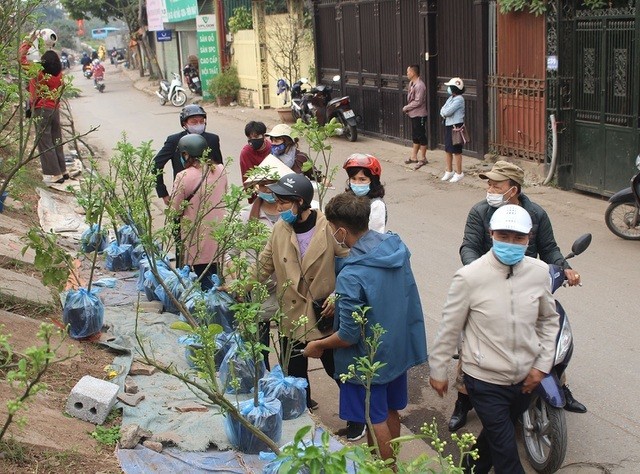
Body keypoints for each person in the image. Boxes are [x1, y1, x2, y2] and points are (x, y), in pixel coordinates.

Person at [448, 160, 586, 433]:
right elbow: (469, 248)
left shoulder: (536, 213)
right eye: (489, 184)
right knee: (474, 346)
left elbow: (549, 249)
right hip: (488, 289)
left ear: (513, 189)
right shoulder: (480, 212)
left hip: (527, 287)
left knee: (551, 337)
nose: (490, 189)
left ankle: (561, 387)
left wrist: (566, 269)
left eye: (496, 185)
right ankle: (463, 400)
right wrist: (478, 273)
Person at [429, 204, 560, 474]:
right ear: (491, 234)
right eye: (503, 236)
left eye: (518, 238)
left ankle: (466, 470)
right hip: (485, 381)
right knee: (507, 455)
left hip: (525, 379)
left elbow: (549, 320)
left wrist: (542, 365)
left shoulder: (539, 272)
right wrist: (438, 369)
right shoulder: (469, 277)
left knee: (493, 439)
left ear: (529, 238)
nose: (510, 243)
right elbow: (449, 327)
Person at [304, 192, 427, 464]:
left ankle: (385, 469)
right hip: (396, 348)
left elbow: (348, 336)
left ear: (341, 230)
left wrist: (319, 346)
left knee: (375, 418)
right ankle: (393, 465)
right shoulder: (394, 246)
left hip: (368, 359)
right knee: (390, 410)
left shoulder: (351, 274)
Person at [255, 173, 348, 411]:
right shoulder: (279, 229)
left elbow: (352, 263)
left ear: (300, 201)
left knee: (338, 371)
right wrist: (238, 287)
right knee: (294, 375)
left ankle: (357, 418)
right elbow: (264, 265)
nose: (278, 207)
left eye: (283, 202)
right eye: (277, 201)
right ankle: (302, 413)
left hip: (322, 315)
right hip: (291, 315)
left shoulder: (328, 227)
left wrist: (338, 294)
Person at [238, 155, 295, 370]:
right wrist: (236, 280)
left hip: (289, 290)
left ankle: (291, 389)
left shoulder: (291, 215)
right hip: (258, 288)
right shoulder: (246, 216)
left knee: (289, 344)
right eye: (262, 185)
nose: (267, 189)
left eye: (272, 185)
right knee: (259, 344)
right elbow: (231, 252)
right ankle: (263, 383)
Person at [170, 134, 227, 291]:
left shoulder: (183, 176)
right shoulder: (221, 170)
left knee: (205, 281)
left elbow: (175, 209)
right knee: (216, 275)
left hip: (197, 238)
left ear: (186, 154)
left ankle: (210, 312)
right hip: (219, 234)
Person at [20, 35, 67, 184]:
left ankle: (55, 174)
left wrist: (28, 42)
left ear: (43, 63)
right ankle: (63, 170)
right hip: (55, 110)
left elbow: (21, 58)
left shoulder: (37, 72)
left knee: (45, 141)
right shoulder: (60, 76)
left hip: (42, 109)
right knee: (57, 140)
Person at [154, 104, 223, 204]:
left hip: (209, 193)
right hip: (183, 194)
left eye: (201, 121)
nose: (198, 124)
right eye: (194, 122)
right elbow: (157, 164)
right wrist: (163, 193)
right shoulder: (174, 141)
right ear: (184, 124)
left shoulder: (212, 139)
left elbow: (219, 166)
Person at [343, 153, 386, 233]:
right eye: (353, 178)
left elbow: (375, 236)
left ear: (372, 181)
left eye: (362, 179)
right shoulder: (348, 198)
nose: (357, 183)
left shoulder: (376, 205)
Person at [402, 64, 429, 169]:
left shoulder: (420, 85)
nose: (407, 74)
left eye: (408, 72)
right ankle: (414, 157)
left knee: (421, 135)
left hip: (419, 114)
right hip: (413, 114)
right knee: (415, 135)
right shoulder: (411, 83)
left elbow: (418, 101)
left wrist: (406, 107)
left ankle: (423, 158)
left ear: (413, 73)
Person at [440, 77, 466, 183]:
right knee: (448, 149)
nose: (449, 89)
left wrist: (443, 112)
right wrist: (443, 112)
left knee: (456, 150)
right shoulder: (451, 98)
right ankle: (449, 170)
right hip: (448, 125)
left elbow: (447, 112)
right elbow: (442, 109)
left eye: (450, 87)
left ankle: (459, 172)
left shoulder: (459, 99)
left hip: (456, 126)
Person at [240, 121, 272, 201]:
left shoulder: (272, 149)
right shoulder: (246, 153)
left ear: (264, 136)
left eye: (256, 136)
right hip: (257, 192)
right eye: (250, 138)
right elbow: (247, 178)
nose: (252, 140)